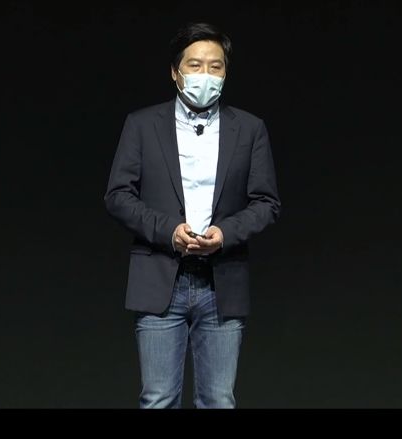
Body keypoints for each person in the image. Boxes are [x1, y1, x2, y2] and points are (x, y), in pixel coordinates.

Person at [103, 22, 281, 408]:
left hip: (222, 283)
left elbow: (266, 202)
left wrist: (225, 233)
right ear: (175, 71)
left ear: (226, 72)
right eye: (195, 65)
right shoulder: (142, 125)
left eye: (215, 67)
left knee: (218, 400)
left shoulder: (249, 129)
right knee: (158, 400)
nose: (205, 75)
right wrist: (169, 230)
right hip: (160, 278)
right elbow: (118, 196)